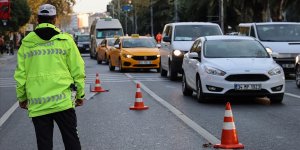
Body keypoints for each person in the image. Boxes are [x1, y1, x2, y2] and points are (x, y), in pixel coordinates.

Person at [14, 4, 85, 150]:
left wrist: (22, 98)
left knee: (44, 144)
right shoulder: (65, 40)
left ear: (38, 19)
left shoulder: (27, 43)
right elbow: (78, 69)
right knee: (71, 140)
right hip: (63, 102)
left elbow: (20, 75)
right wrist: (80, 94)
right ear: (54, 19)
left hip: (39, 104)